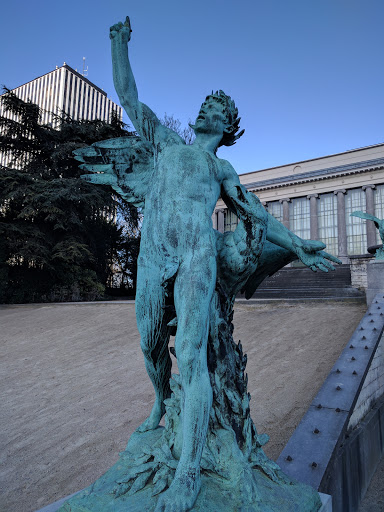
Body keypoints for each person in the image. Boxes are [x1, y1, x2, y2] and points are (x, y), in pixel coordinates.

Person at [109, 17, 338, 512]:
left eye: (213, 107)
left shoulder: (220, 168)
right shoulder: (167, 145)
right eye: (205, 102)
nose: (203, 108)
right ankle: (158, 401)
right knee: (150, 345)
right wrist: (119, 44)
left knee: (189, 357)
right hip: (151, 258)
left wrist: (297, 243)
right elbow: (127, 95)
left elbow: (255, 213)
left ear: (226, 127)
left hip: (195, 259)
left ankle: (189, 471)